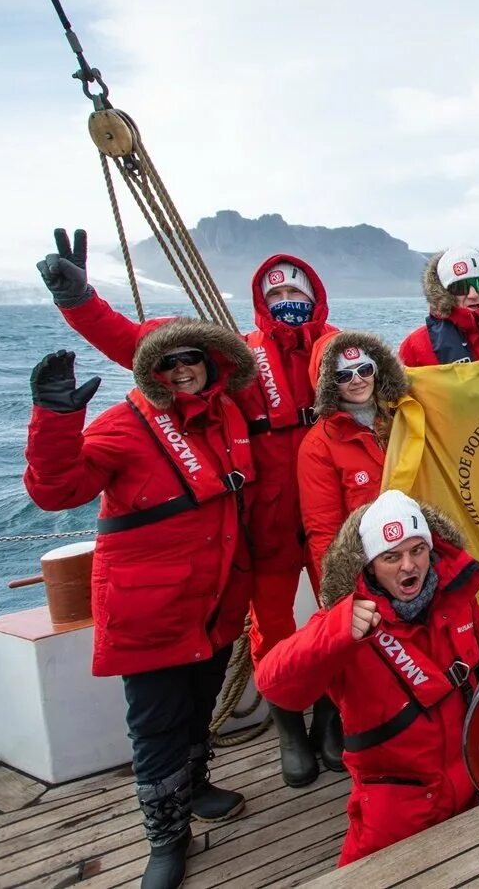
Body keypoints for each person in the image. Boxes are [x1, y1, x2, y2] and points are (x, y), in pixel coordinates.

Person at [38, 230, 338, 789]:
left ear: (316, 296)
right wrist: (80, 302)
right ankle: (289, 730)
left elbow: (397, 385)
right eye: (275, 297)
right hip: (263, 527)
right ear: (261, 304)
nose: (286, 303)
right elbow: (144, 348)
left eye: (296, 293)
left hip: (333, 519)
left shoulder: (341, 351)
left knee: (342, 616)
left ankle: (332, 718)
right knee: (272, 631)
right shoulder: (237, 360)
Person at [22, 320, 257, 889]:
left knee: (200, 707)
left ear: (211, 362)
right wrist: (55, 419)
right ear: (151, 371)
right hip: (149, 611)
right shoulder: (126, 425)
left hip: (215, 601)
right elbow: (56, 491)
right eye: (168, 360)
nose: (182, 368)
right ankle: (166, 840)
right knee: (155, 728)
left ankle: (196, 787)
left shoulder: (226, 413)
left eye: (192, 357)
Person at [256, 490, 479, 866]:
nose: (408, 566)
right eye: (391, 556)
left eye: (417, 550)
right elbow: (272, 683)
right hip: (396, 812)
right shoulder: (344, 623)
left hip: (474, 790)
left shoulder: (456, 601)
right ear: (369, 566)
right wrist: (336, 632)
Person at [295, 331, 409, 774]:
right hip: (366, 571)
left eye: (365, 369)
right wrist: (341, 595)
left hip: (415, 558)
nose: (358, 380)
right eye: (344, 375)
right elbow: (323, 531)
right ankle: (345, 727)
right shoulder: (318, 446)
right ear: (328, 383)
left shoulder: (403, 418)